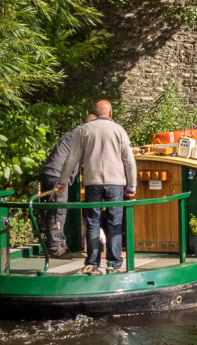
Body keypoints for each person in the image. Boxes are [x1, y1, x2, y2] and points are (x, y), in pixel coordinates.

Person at [55, 100, 138, 274]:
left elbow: (72, 159)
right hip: (115, 182)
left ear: (95, 112)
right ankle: (114, 263)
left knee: (93, 222)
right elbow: (129, 161)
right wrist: (132, 185)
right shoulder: (119, 130)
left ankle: (92, 263)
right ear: (110, 113)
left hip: (92, 182)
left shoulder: (85, 130)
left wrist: (62, 180)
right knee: (114, 222)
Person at [39, 114, 98, 259]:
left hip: (53, 173)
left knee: (56, 210)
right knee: (57, 211)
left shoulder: (76, 131)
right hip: (57, 176)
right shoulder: (82, 133)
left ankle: (58, 244)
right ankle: (56, 248)